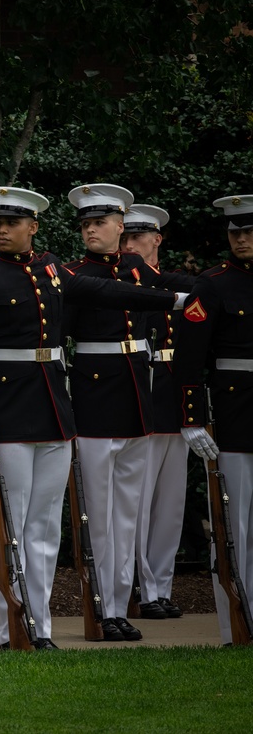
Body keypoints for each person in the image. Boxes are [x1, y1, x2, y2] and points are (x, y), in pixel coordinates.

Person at [0, 186, 184, 651]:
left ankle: (41, 624)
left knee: (45, 529)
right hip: (8, 412)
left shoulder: (50, 270)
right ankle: (7, 628)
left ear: (32, 228)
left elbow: (104, 290)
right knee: (9, 527)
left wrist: (171, 300)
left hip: (54, 409)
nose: (2, 231)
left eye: (12, 224)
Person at [63, 184, 192, 641]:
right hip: (97, 398)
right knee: (100, 514)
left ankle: (120, 605)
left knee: (127, 514)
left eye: (99, 223)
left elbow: (181, 287)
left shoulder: (137, 267)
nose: (91, 230)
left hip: (138, 395)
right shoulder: (75, 273)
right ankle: (102, 608)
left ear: (121, 226)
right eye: (85, 224)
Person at [173, 193, 253, 645]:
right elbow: (189, 362)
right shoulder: (213, 285)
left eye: (248, 231)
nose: (240, 239)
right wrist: (192, 418)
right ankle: (237, 623)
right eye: (234, 232)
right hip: (235, 414)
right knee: (236, 526)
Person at [120, 204, 187, 619]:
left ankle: (160, 586)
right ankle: (136, 589)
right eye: (124, 238)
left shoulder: (177, 284)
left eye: (137, 238)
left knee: (170, 506)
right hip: (137, 401)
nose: (128, 245)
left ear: (157, 239)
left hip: (175, 402)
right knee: (137, 505)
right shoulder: (119, 285)